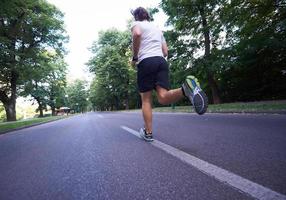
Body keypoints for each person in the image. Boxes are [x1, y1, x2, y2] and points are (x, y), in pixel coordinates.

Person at [131, 7, 208, 142]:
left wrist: (135, 57)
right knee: (163, 97)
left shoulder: (137, 24)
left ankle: (148, 133)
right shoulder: (157, 30)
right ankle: (185, 89)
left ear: (136, 17)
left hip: (146, 62)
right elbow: (166, 52)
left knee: (146, 100)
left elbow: (137, 34)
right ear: (147, 16)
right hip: (161, 62)